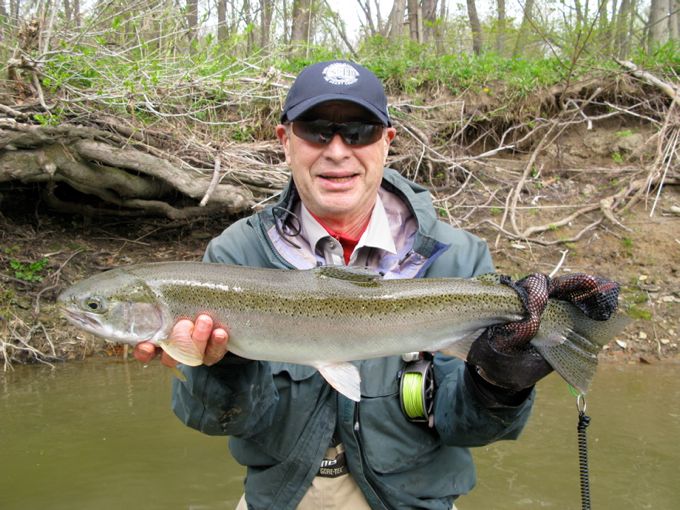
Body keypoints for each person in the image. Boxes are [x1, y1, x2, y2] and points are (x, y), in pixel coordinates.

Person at [133, 60, 614, 509]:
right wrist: (221, 369)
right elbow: (216, 421)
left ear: (387, 141)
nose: (336, 150)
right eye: (315, 130)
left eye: (359, 132)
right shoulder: (235, 255)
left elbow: (468, 429)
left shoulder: (458, 256)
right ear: (286, 140)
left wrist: (499, 384)